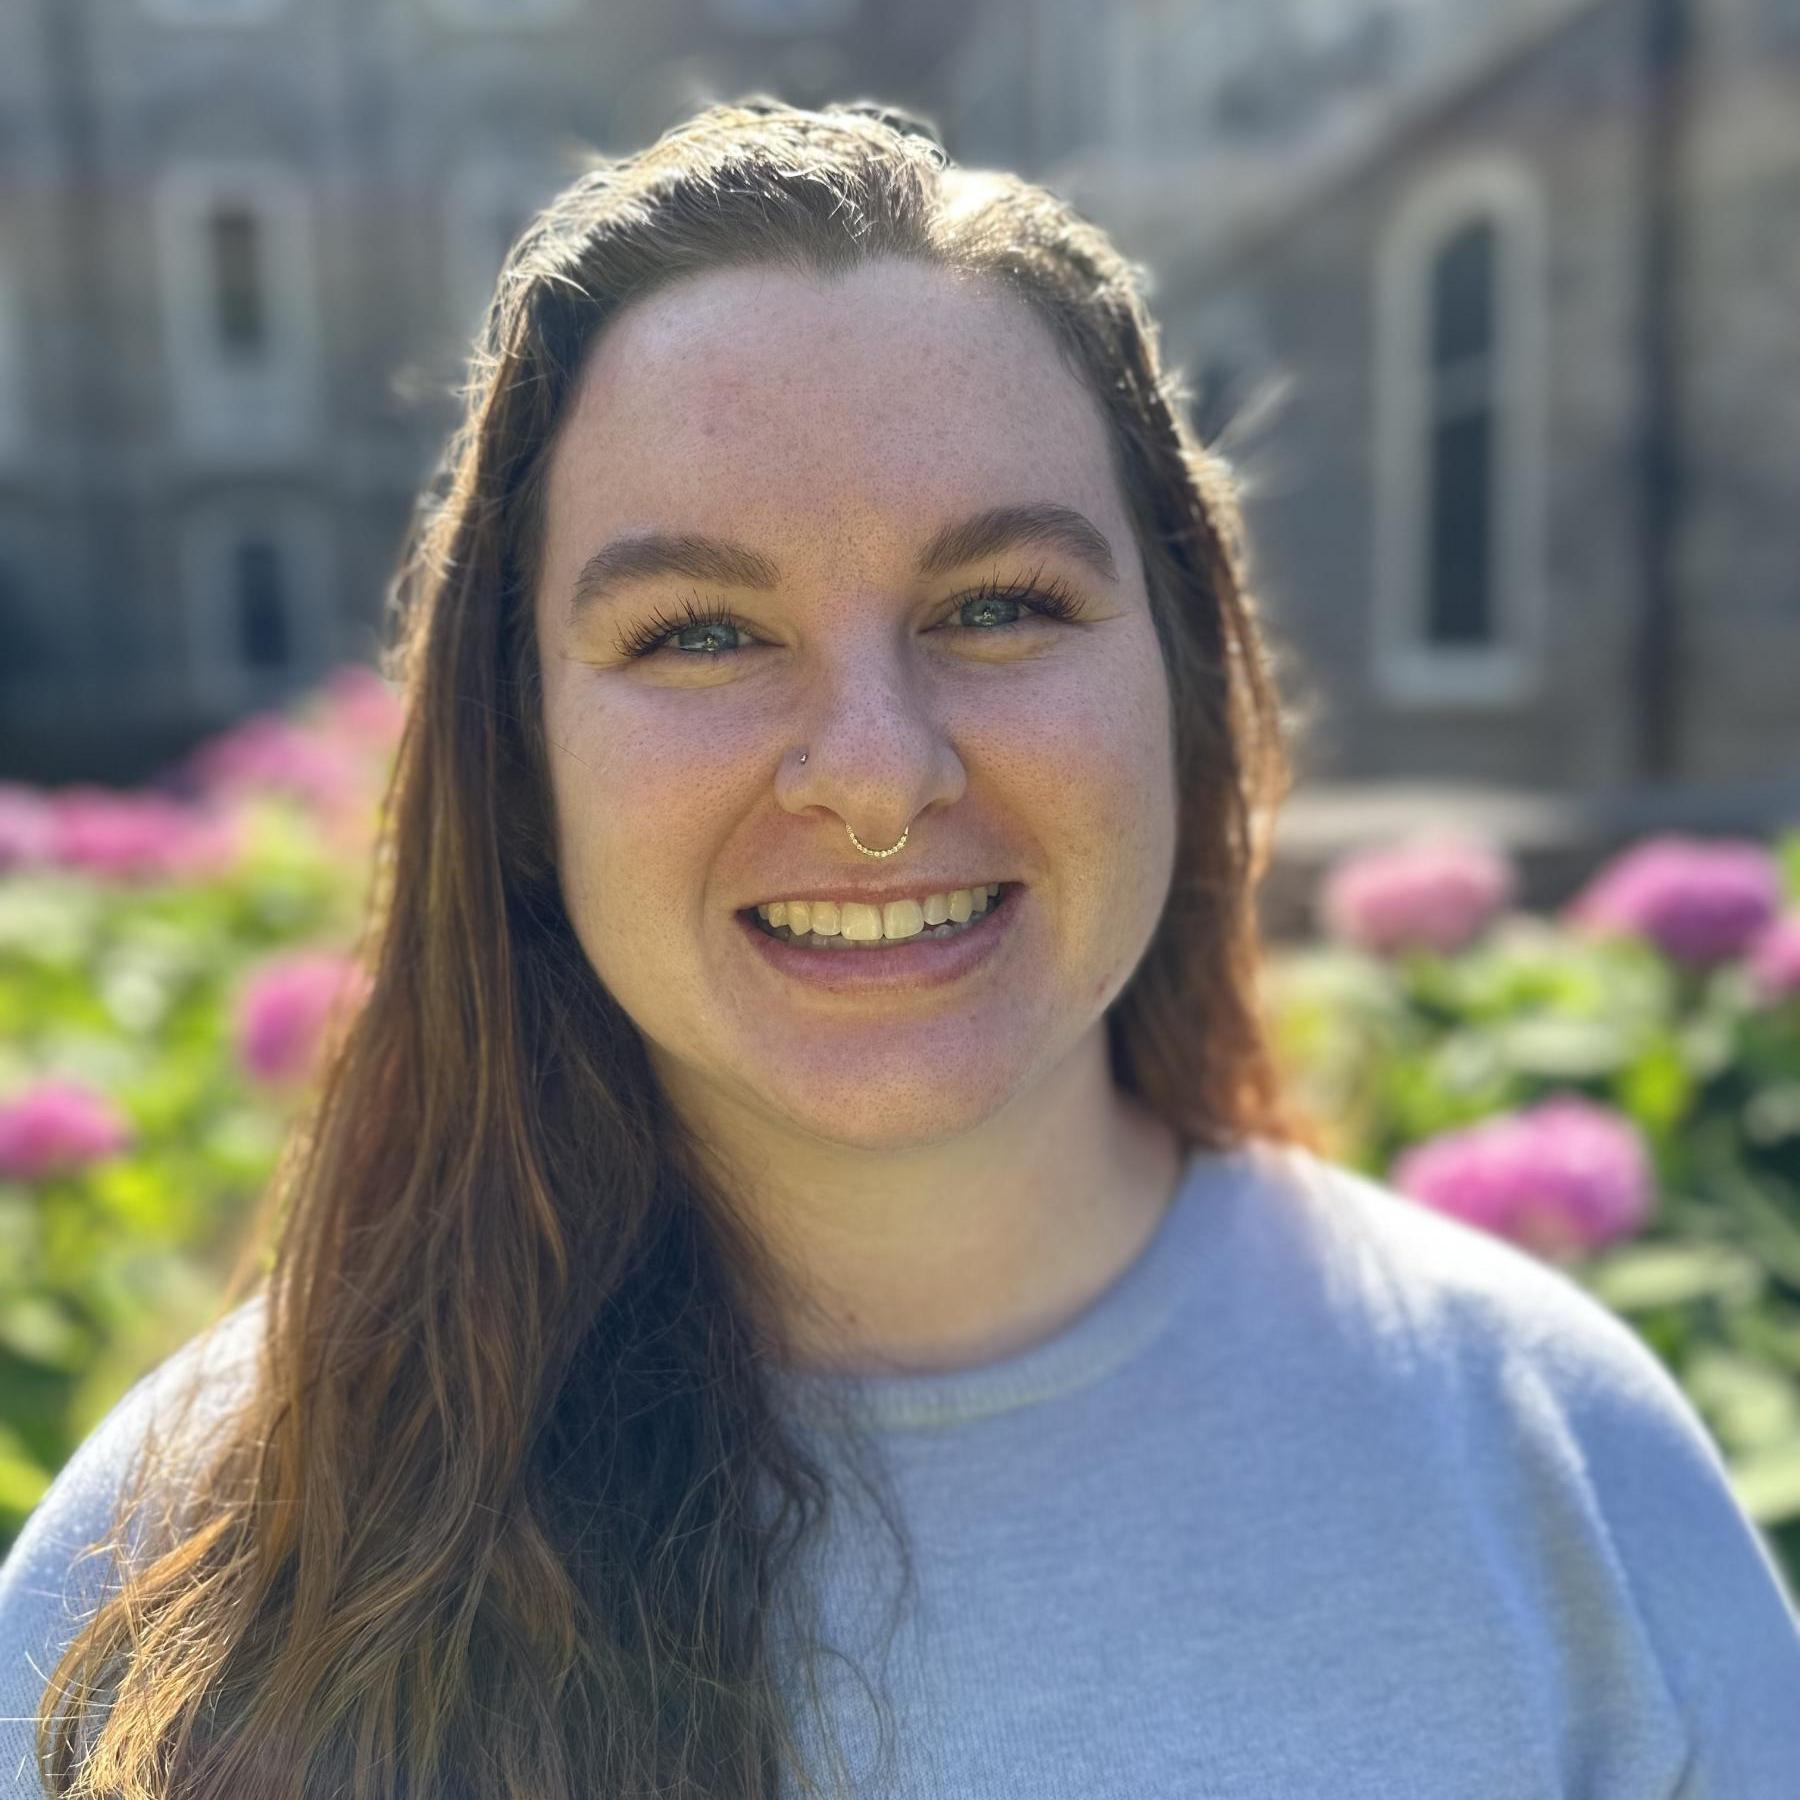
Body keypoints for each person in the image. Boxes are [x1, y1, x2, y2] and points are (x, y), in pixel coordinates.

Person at [1, 96, 1796, 1800]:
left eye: (999, 605)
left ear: (1181, 683)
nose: (874, 773)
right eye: (701, 632)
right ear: (521, 757)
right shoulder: (169, 1587)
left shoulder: (1564, 1475)